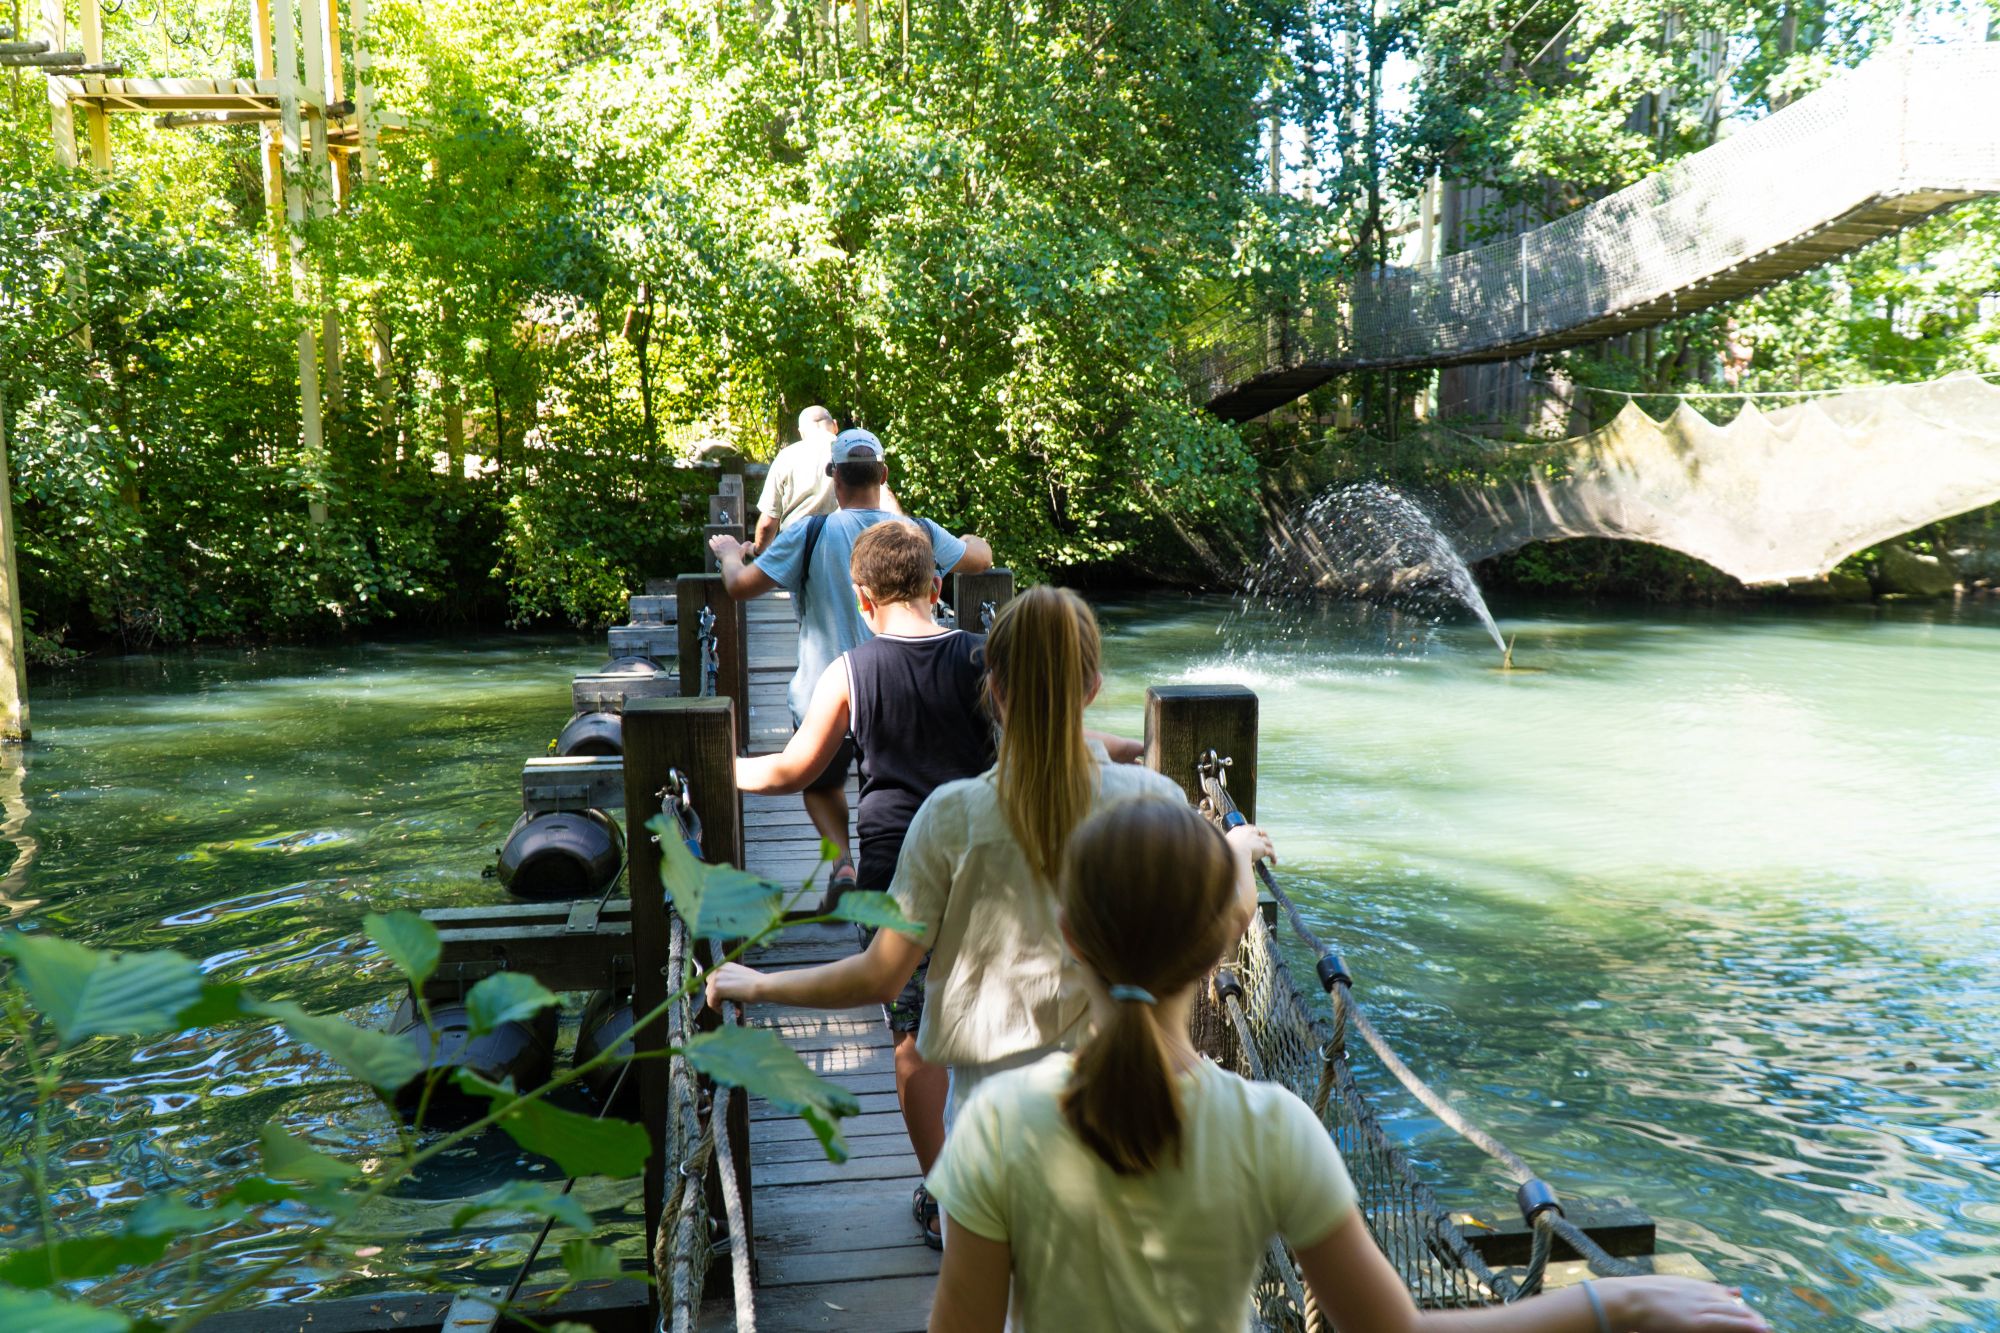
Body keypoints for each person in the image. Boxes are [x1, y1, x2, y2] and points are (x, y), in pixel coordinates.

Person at [923, 800, 1772, 1333]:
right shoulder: (1272, 1130)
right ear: (1227, 935)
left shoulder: (999, 1120)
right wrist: (1612, 1303)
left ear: (1069, 934)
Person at [706, 588, 1250, 1229]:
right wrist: (1234, 852)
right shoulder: (1153, 801)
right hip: (1128, 1113)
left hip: (989, 1128)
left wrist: (762, 983)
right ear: (1094, 689)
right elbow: (1209, 934)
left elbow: (881, 975)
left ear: (994, 689)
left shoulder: (950, 817)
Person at [734, 520, 995, 1246]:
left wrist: (714, 766)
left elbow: (792, 769)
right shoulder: (981, 655)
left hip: (893, 872)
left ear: (860, 595)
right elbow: (1036, 738)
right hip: (980, 858)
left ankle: (945, 1196)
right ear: (938, 586)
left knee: (912, 1035)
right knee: (985, 1013)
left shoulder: (849, 670)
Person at [709, 427, 992, 904]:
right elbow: (981, 559)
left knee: (821, 783)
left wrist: (729, 555)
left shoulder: (809, 531)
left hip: (827, 691)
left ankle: (843, 863)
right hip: (908, 696)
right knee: (903, 784)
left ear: (833, 478)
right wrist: (965, 539)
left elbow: (740, 587)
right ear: (883, 475)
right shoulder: (914, 534)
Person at [751, 406, 901, 553]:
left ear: (801, 432)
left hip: (794, 549)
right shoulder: (852, 454)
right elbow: (886, 502)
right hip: (843, 547)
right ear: (835, 425)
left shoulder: (786, 457)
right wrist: (903, 537)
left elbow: (768, 524)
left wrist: (758, 551)